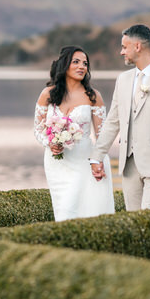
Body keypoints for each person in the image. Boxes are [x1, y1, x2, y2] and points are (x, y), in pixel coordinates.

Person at [90, 24, 150, 210]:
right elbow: (112, 122)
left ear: (137, 47)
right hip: (129, 166)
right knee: (133, 222)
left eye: (124, 47)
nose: (121, 52)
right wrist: (96, 157)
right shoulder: (123, 79)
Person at [34, 45, 115, 221]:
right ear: (64, 65)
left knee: (88, 210)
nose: (82, 67)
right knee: (64, 209)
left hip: (85, 160)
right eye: (76, 62)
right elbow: (38, 129)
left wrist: (98, 160)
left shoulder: (93, 96)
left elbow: (103, 136)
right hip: (57, 163)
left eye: (85, 63)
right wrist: (50, 143)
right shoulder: (47, 94)